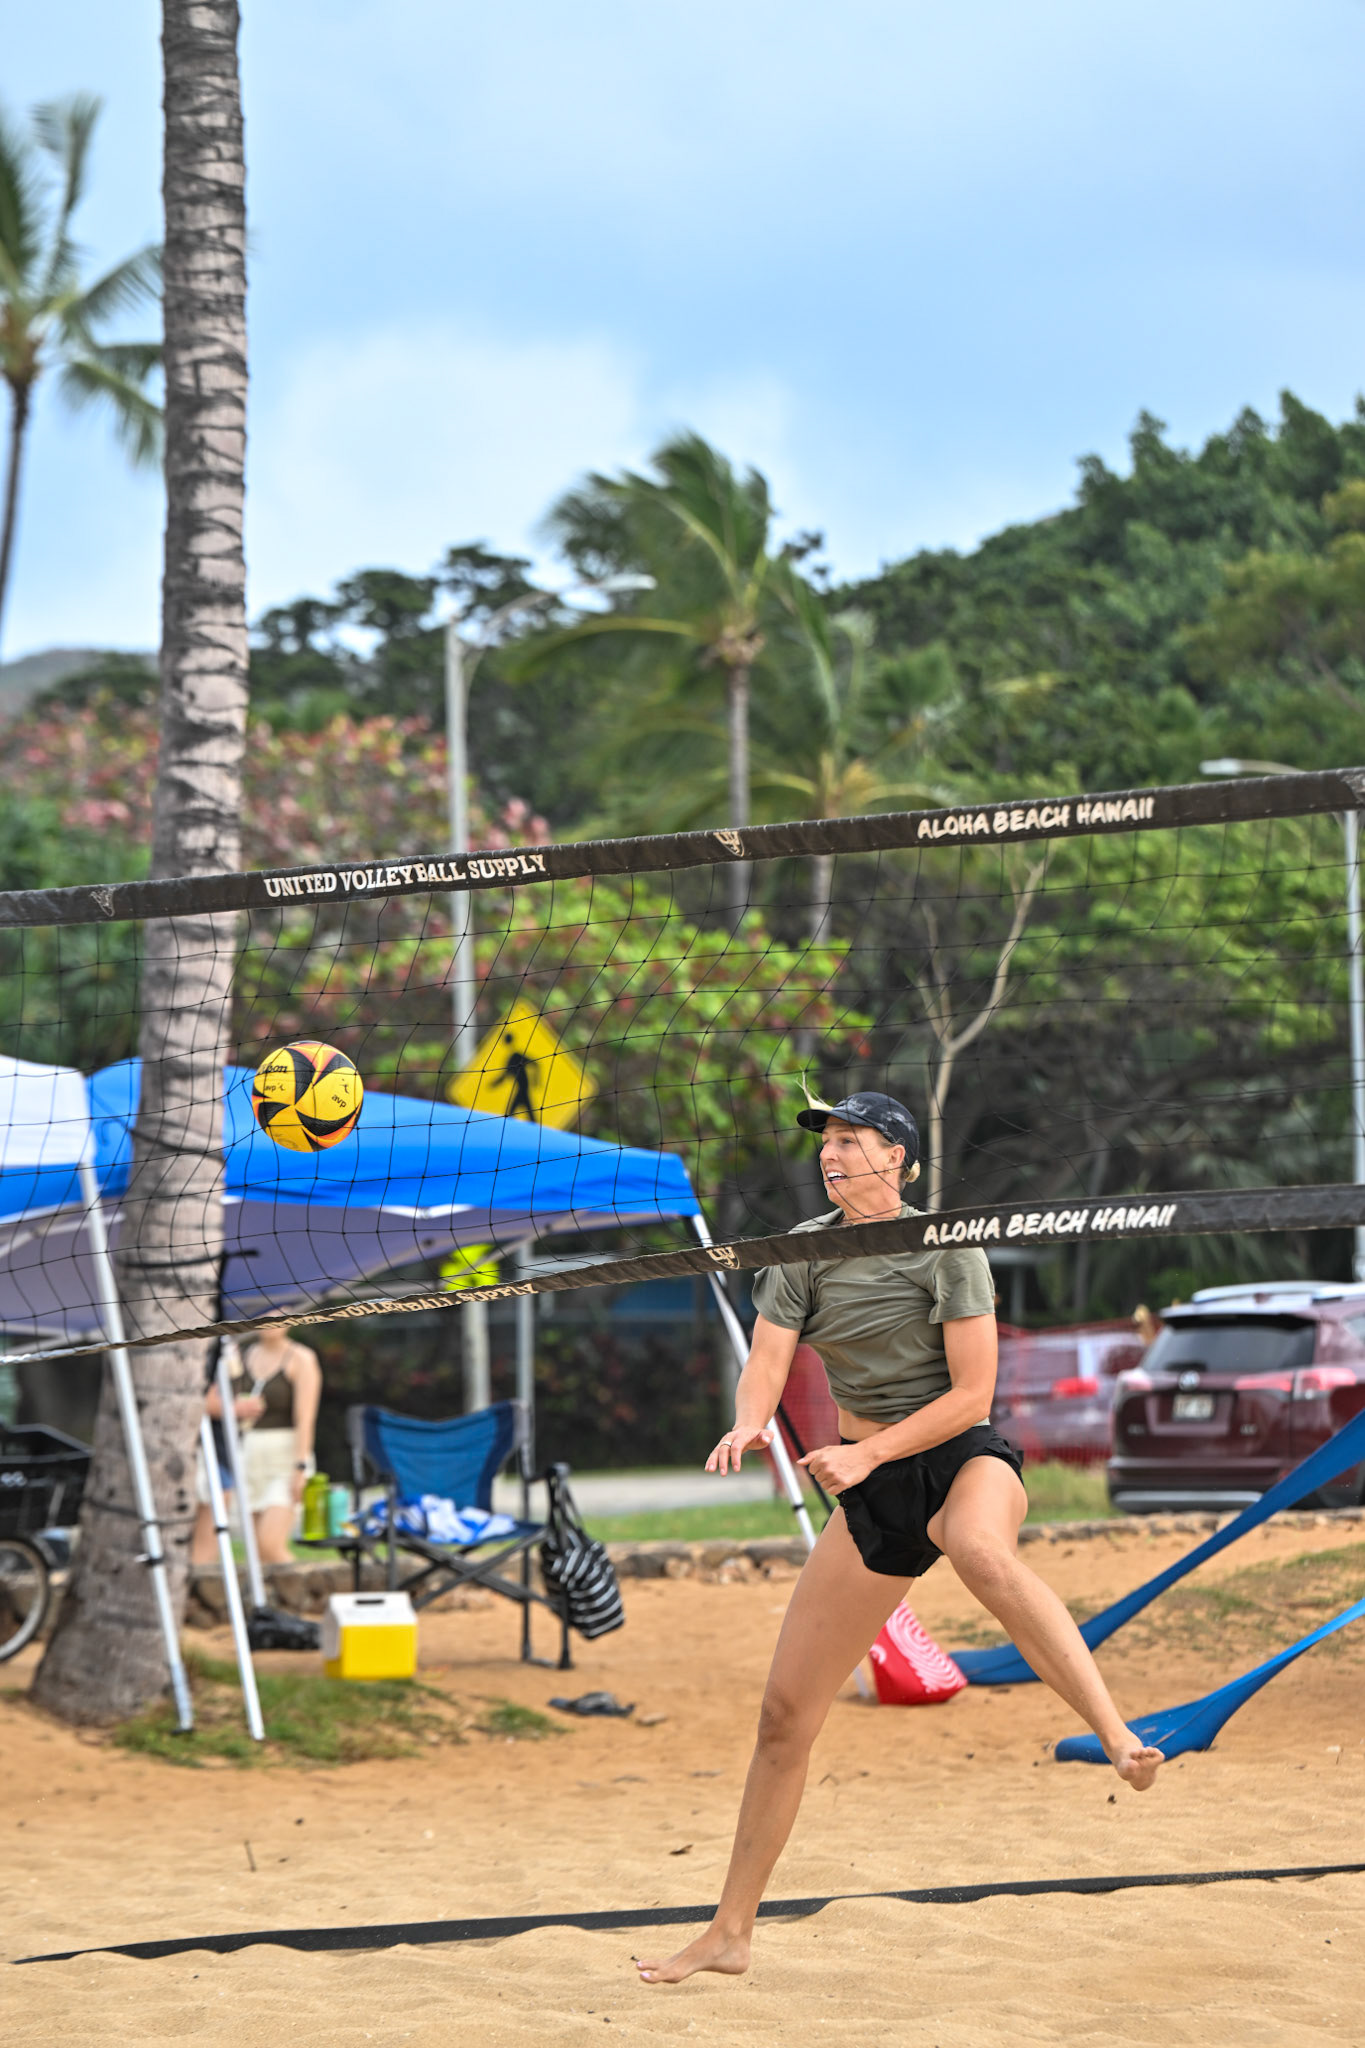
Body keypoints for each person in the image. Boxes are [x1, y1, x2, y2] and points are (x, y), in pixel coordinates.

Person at [635, 1089, 1163, 1987]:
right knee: (782, 1718)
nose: (832, 1154)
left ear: (900, 1160)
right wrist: (750, 1423)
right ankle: (729, 1932)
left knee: (979, 1549)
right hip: (871, 1482)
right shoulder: (802, 1251)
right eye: (826, 1143)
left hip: (956, 1454)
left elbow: (971, 1396)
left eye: (852, 1139)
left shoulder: (944, 1246)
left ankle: (1116, 1734)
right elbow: (765, 1364)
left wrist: (866, 1450)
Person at [238, 1323, 322, 1566]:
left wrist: (300, 1467)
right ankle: (269, 1602)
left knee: (270, 1543)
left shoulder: (301, 1357)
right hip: (249, 1453)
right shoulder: (242, 1354)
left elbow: (305, 1418)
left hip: (285, 1455)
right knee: (256, 1553)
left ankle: (306, 1591)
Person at [189, 1339, 263, 1566]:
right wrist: (236, 1409)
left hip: (224, 1448)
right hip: (204, 1450)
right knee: (208, 1537)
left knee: (214, 1534)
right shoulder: (204, 1344)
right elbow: (197, 1399)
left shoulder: (230, 1342)